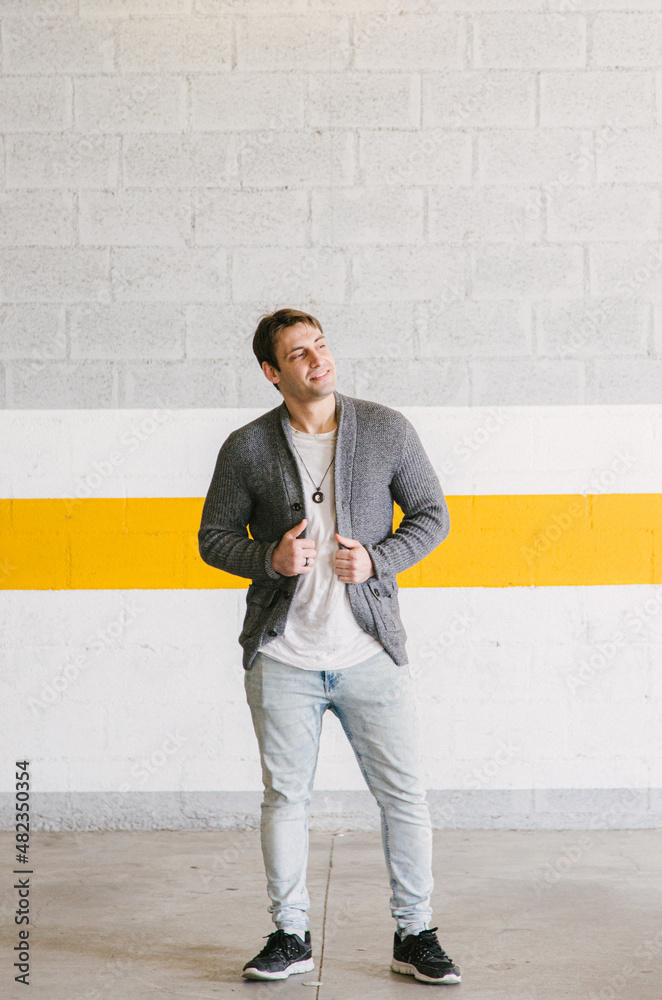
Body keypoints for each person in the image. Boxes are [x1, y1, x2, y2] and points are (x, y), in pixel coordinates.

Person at [198, 308, 460, 985]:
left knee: (404, 796)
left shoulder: (386, 429)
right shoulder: (246, 448)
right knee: (285, 799)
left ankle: (415, 933)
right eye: (299, 354)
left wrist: (377, 559)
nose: (319, 360)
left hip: (370, 652)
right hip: (284, 657)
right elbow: (213, 539)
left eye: (321, 345)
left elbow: (433, 516)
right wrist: (268, 559)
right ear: (271, 372)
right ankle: (290, 935)